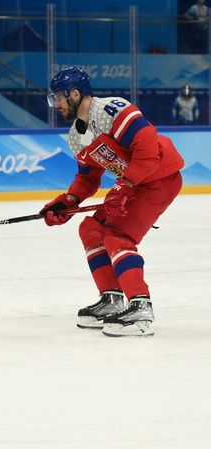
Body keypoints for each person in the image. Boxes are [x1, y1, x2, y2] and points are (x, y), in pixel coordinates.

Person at [42, 66, 184, 337]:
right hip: (133, 184)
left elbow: (148, 150)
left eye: (58, 97)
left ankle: (140, 306)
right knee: (91, 230)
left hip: (159, 179)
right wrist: (66, 202)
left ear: (75, 93)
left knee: (117, 237)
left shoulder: (111, 110)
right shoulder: (76, 136)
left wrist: (125, 184)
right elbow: (87, 180)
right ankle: (111, 299)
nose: (56, 104)